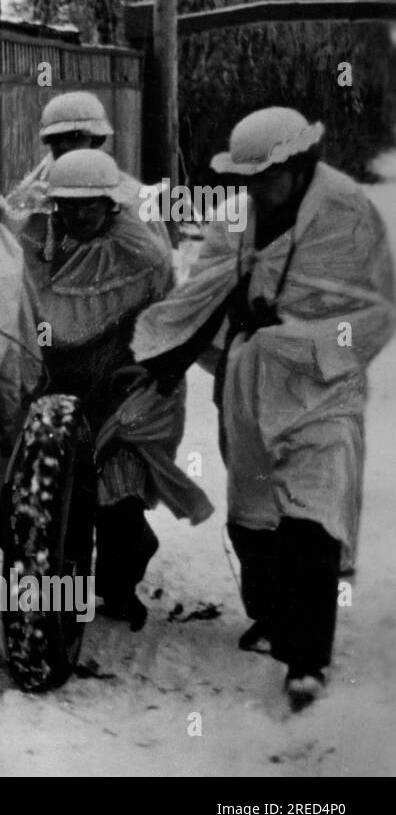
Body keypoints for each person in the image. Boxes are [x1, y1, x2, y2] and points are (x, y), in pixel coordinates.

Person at [132, 107, 395, 710]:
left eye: (266, 178)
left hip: (322, 390)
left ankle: (306, 660)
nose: (255, 191)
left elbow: (378, 312)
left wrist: (302, 339)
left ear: (300, 168)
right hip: (251, 384)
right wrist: (156, 353)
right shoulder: (240, 217)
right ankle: (272, 615)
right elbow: (207, 291)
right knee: (253, 514)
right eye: (247, 181)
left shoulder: (348, 215)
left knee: (313, 513)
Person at [18, 149, 213, 630]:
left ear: (111, 204)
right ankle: (54, 592)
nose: (79, 214)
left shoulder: (142, 255)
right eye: (68, 204)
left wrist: (144, 368)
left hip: (119, 386)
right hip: (47, 380)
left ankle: (119, 585)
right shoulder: (34, 242)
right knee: (40, 486)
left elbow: (165, 325)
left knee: (116, 494)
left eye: (91, 205)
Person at [7, 91, 172, 253]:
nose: (64, 146)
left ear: (95, 138)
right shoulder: (34, 189)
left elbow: (151, 254)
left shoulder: (129, 196)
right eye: (56, 139)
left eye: (75, 136)